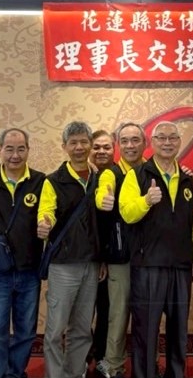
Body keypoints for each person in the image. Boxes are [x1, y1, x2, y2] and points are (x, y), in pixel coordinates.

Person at [119, 121, 193, 378]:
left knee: (179, 329)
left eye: (173, 138)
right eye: (161, 138)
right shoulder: (137, 175)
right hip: (148, 264)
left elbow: (190, 221)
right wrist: (146, 201)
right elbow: (126, 213)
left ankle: (176, 374)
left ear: (179, 142)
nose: (167, 143)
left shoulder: (186, 177)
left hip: (181, 264)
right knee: (146, 328)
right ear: (151, 143)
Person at [37, 121, 104, 378]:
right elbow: (46, 211)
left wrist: (102, 259)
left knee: (82, 329)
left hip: (92, 263)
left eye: (84, 142)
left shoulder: (100, 178)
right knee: (56, 330)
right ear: (64, 146)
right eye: (73, 143)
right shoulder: (53, 181)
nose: (79, 147)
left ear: (90, 144)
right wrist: (45, 223)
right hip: (63, 264)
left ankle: (75, 373)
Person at [0, 128, 46, 378]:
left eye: (20, 149)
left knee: (26, 331)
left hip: (30, 270)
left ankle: (16, 373)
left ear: (28, 150)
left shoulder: (40, 181)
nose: (15, 155)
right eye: (9, 149)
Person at [94, 122, 147, 378]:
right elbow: (102, 195)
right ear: (118, 145)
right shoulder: (111, 174)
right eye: (124, 141)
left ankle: (146, 365)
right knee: (118, 313)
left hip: (150, 256)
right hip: (120, 255)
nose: (130, 146)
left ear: (144, 143)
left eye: (135, 140)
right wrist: (103, 199)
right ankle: (112, 365)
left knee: (147, 315)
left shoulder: (152, 171)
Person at [89, 129, 115, 370]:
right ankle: (81, 358)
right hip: (81, 257)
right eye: (96, 146)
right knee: (80, 313)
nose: (101, 151)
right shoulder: (81, 176)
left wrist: (104, 259)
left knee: (105, 310)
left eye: (106, 147)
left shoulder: (119, 176)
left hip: (108, 257)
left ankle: (100, 357)